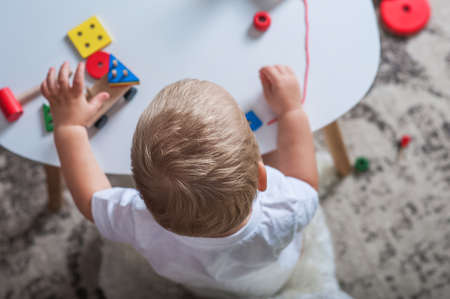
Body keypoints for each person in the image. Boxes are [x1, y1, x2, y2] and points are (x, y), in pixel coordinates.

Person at [41, 62, 319, 298]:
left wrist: (69, 127)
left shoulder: (139, 218)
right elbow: (305, 180)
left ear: (139, 192)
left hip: (200, 283)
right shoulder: (285, 207)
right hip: (269, 278)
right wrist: (290, 111)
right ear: (261, 176)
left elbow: (91, 201)